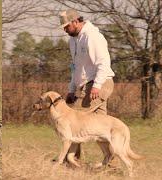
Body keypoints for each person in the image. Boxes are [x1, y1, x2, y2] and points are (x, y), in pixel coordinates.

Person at [59, 9, 115, 163]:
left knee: (74, 120)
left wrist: (97, 86)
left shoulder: (93, 36)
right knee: (101, 127)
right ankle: (111, 164)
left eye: (66, 26)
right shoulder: (73, 40)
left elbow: (103, 63)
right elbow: (75, 68)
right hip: (85, 85)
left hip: (100, 83)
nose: (65, 30)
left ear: (76, 22)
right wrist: (72, 89)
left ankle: (70, 161)